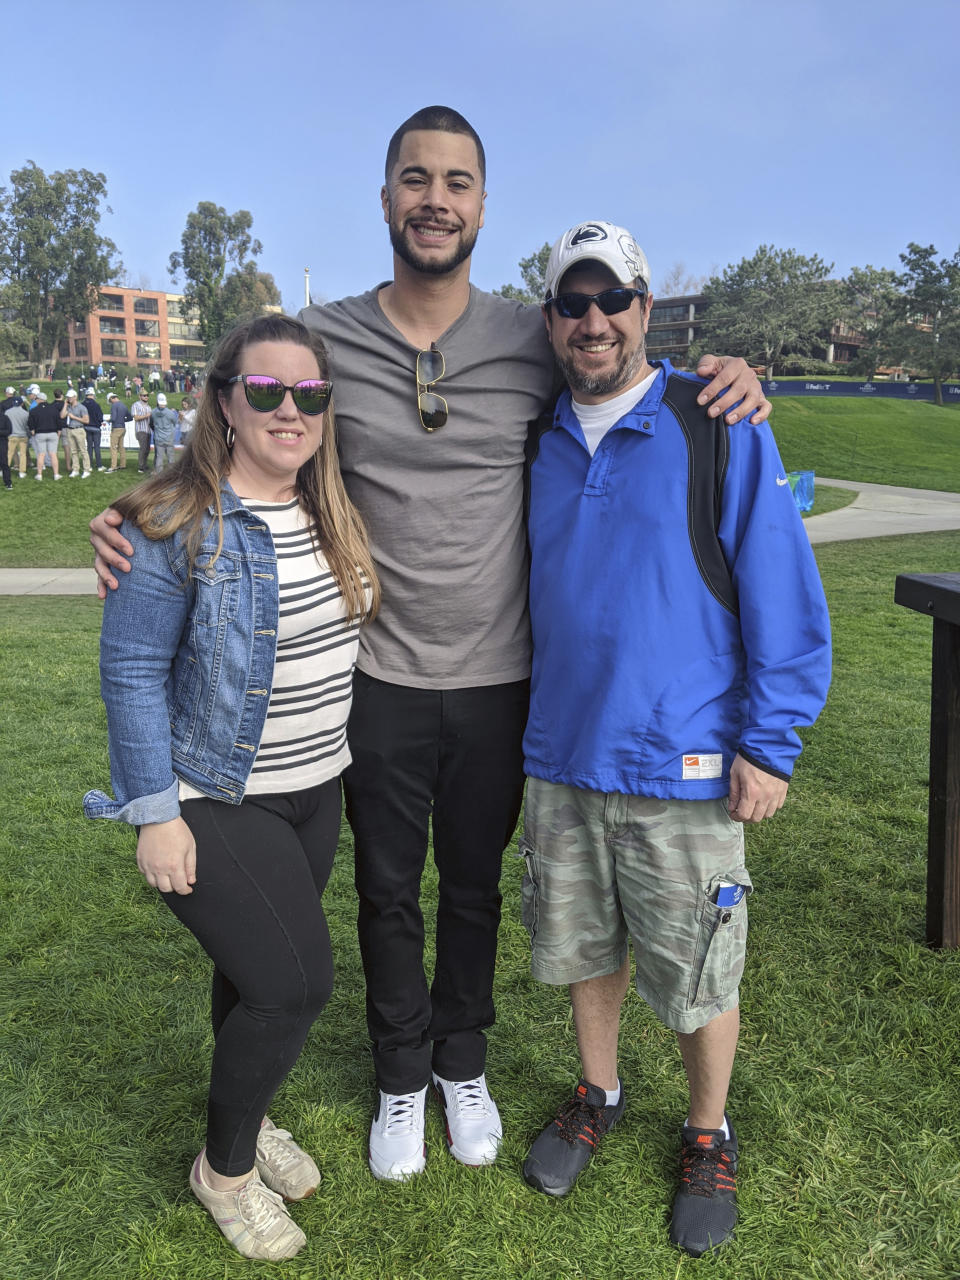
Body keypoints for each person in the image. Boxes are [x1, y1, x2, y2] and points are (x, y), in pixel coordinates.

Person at [89, 106, 772, 1184]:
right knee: (387, 888)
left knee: (476, 888)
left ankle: (464, 1060)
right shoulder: (332, 339)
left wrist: (721, 375)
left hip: (505, 679)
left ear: (483, 204)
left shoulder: (526, 336)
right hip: (380, 674)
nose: (436, 200)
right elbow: (241, 428)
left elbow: (621, 371)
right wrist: (137, 514)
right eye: (417, 178)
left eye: (458, 181)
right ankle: (402, 1074)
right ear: (387, 197)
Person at [517, 222, 832, 1257]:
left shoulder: (717, 420)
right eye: (574, 301)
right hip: (564, 749)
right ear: (553, 319)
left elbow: (782, 590)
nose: (594, 320)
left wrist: (770, 741)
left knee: (701, 964)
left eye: (615, 299)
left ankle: (708, 1127)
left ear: (648, 311)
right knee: (585, 944)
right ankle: (597, 1089)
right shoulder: (541, 433)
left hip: (686, 758)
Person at [82, 313, 380, 1261]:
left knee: (249, 975)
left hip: (316, 786)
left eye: (310, 395)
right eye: (265, 391)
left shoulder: (331, 506)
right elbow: (130, 669)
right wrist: (156, 814)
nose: (290, 410)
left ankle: (246, 1123)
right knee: (295, 986)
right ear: (224, 400)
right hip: (216, 792)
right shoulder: (174, 521)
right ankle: (226, 1173)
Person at [28, 392, 63, 480]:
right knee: (53, 454)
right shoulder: (54, 409)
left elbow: (30, 424)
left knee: (41, 454)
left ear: (39, 399)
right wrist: (59, 431)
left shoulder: (34, 410)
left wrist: (33, 431)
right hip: (53, 433)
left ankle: (39, 475)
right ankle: (56, 475)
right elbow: (59, 421)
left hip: (40, 434)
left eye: (36, 399)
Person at [61, 389, 91, 477]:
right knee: (73, 451)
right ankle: (75, 469)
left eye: (70, 397)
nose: (69, 398)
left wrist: (74, 417)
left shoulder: (82, 407)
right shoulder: (68, 407)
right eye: (68, 397)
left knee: (83, 451)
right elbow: (62, 415)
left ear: (75, 397)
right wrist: (65, 404)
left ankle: (86, 470)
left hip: (79, 429)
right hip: (70, 430)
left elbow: (86, 420)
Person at [2, 388, 29, 479]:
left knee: (8, 453)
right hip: (23, 436)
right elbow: (27, 426)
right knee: (22, 454)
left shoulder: (7, 412)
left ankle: (4, 470)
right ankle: (21, 472)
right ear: (21, 403)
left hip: (12, 436)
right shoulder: (26, 413)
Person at [150, 392, 178, 471]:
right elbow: (175, 422)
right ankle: (171, 474)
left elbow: (151, 423)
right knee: (170, 457)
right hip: (169, 438)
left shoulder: (153, 412)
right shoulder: (170, 413)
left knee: (159, 457)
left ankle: (159, 474)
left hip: (158, 438)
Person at [82, 387, 106, 471]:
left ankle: (89, 466)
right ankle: (99, 466)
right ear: (93, 395)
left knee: (89, 447)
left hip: (86, 427)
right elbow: (100, 417)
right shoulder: (96, 405)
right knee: (97, 447)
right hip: (95, 427)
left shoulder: (82, 404)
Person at [106, 393, 130, 471]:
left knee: (113, 448)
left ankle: (113, 467)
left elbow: (113, 418)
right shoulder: (124, 405)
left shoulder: (114, 405)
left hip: (116, 428)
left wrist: (108, 420)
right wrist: (123, 420)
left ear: (112, 399)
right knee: (121, 448)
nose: (111, 403)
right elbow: (130, 418)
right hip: (123, 428)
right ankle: (123, 465)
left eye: (110, 401)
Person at [132, 390, 152, 471]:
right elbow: (136, 418)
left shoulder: (149, 407)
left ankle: (144, 465)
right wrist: (146, 415)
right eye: (144, 395)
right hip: (140, 430)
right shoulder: (136, 405)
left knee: (147, 449)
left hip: (148, 430)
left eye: (147, 395)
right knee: (143, 448)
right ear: (140, 396)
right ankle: (140, 467)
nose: (146, 397)